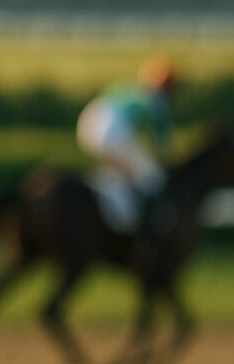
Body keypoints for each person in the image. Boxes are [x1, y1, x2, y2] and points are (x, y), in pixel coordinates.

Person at [75, 56, 177, 235]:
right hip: (113, 127)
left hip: (87, 122)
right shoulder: (157, 99)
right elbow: (162, 142)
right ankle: (138, 225)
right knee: (151, 177)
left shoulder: (129, 88)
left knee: (119, 170)